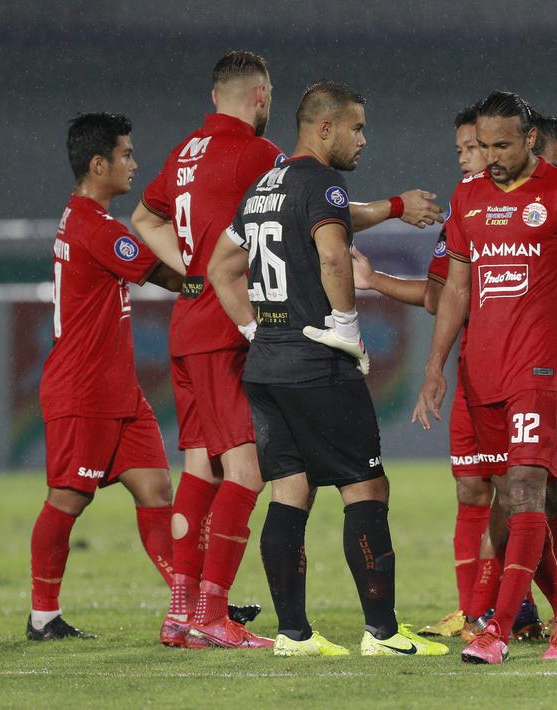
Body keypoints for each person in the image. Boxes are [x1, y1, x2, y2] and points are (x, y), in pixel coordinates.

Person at [131, 50, 441, 649]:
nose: (362, 139)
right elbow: (326, 225)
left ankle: (200, 612)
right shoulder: (262, 157)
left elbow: (150, 220)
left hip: (205, 328)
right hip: (265, 337)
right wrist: (394, 215)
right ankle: (224, 614)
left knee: (215, 467)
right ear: (262, 97)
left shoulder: (186, 154)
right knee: (297, 477)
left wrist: (196, 279)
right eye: (356, 128)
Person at [209, 80, 448, 658]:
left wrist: (253, 330)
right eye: (357, 127)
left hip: (268, 365)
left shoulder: (265, 186)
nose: (364, 139)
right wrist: (344, 323)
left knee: (290, 490)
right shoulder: (322, 182)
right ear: (324, 127)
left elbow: (220, 268)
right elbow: (334, 253)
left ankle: (293, 634)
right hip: (318, 361)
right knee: (365, 484)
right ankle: (383, 634)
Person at [413, 91, 557, 664]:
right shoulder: (467, 198)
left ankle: (496, 629)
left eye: (502, 144)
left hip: (538, 370)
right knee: (515, 498)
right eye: (483, 145)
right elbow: (455, 288)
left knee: (526, 489)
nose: (491, 155)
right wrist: (434, 369)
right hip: (483, 375)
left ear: (529, 139)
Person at [29, 112, 184, 640]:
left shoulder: (80, 220)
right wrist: (219, 278)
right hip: (84, 389)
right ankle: (43, 616)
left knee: (158, 489)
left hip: (117, 390)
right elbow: (164, 275)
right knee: (69, 498)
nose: (134, 164)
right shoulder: (96, 227)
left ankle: (190, 607)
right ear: (99, 165)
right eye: (126, 155)